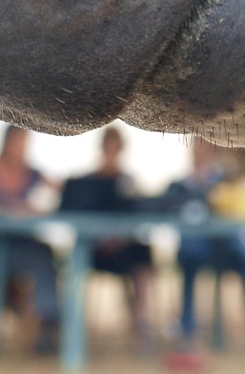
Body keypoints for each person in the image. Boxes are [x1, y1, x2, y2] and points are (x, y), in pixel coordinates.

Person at [0, 125, 61, 354]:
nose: (23, 149)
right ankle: (46, 321)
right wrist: (15, 209)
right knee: (38, 256)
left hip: (23, 245)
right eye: (20, 144)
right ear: (7, 144)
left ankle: (48, 322)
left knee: (43, 254)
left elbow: (63, 190)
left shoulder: (33, 173)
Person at [59, 126, 156, 346]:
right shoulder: (84, 184)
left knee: (143, 253)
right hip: (94, 251)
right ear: (102, 148)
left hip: (124, 251)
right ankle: (74, 331)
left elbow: (137, 217)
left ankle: (141, 324)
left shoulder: (129, 183)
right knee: (78, 256)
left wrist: (121, 238)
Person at [171, 140, 245, 344]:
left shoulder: (228, 182)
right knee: (189, 263)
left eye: (202, 150)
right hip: (197, 250)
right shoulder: (179, 186)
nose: (197, 155)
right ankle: (187, 328)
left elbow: (244, 210)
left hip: (228, 248)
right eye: (194, 150)